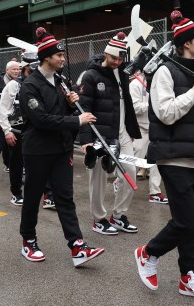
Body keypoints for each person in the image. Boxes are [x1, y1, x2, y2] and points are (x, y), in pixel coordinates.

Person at [134, 11, 194, 302]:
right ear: (186, 43)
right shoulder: (166, 71)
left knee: (191, 223)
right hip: (173, 159)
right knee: (185, 222)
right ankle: (148, 252)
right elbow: (165, 113)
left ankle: (188, 275)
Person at [19, 27, 104, 266]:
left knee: (65, 198)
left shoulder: (61, 81)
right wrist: (77, 119)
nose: (63, 59)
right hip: (37, 150)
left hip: (61, 149)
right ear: (47, 57)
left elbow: (60, 114)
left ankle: (77, 246)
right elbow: (41, 120)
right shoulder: (30, 85)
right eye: (59, 55)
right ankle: (28, 240)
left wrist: (70, 104)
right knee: (33, 196)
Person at [79, 32, 141, 235]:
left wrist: (131, 130)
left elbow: (128, 105)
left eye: (121, 58)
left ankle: (118, 215)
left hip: (122, 133)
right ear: (106, 53)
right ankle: (98, 219)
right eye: (114, 57)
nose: (117, 61)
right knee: (97, 179)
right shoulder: (91, 75)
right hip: (99, 134)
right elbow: (84, 108)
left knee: (130, 173)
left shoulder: (123, 73)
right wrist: (86, 140)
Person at [0, 54, 37, 206]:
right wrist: (7, 131)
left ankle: (35, 191)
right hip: (17, 130)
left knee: (35, 163)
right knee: (17, 164)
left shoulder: (38, 83)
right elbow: (3, 109)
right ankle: (16, 193)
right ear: (26, 68)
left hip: (34, 130)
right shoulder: (14, 85)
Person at [129, 70, 168, 203]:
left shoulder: (159, 81)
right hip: (141, 128)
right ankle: (121, 181)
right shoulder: (135, 84)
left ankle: (155, 192)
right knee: (135, 159)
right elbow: (134, 107)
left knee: (157, 160)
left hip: (156, 126)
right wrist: (152, 104)